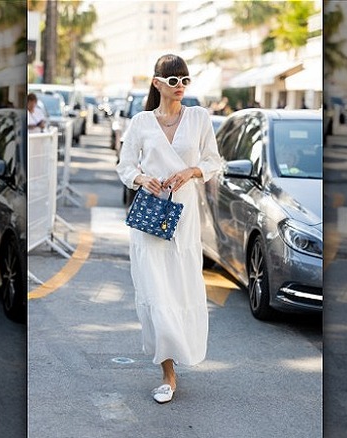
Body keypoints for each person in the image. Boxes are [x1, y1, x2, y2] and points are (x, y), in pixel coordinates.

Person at [116, 54, 223, 404]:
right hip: (150, 219)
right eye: (172, 80)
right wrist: (141, 178)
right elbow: (125, 165)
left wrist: (191, 171)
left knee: (180, 290)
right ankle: (167, 372)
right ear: (157, 83)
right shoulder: (141, 122)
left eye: (185, 80)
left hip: (185, 217)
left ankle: (178, 355)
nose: (179, 87)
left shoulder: (199, 118)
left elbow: (212, 161)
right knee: (157, 293)